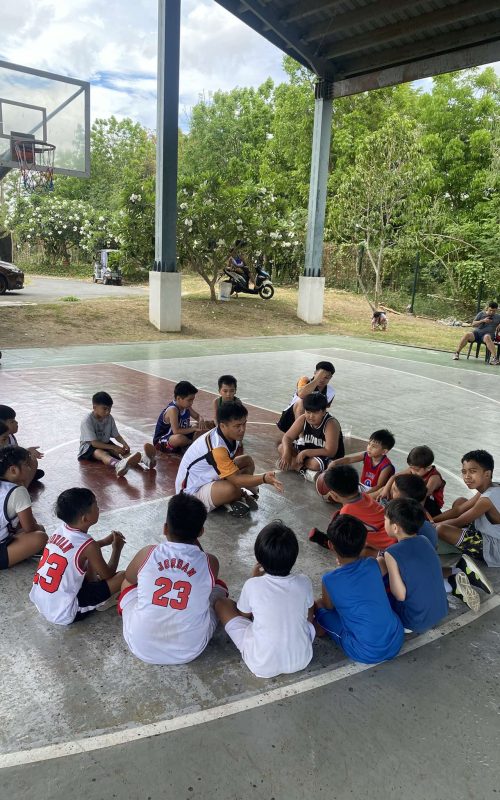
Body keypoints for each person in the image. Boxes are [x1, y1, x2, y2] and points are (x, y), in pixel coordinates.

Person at [119, 493, 227, 665]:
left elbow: (129, 578)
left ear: (165, 528)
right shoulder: (210, 561)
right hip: (190, 649)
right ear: (201, 532)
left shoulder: (148, 553)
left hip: (141, 646)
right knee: (219, 587)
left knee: (128, 584)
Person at [215, 521, 315, 678]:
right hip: (302, 659)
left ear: (259, 559)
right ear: (294, 557)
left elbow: (244, 615)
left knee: (222, 603)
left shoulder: (252, 585)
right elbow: (309, 616)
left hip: (262, 664)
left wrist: (255, 580)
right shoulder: (304, 581)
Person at [314, 515, 404, 663]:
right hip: (396, 638)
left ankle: (319, 629)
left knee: (318, 605)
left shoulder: (329, 579)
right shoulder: (372, 564)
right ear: (364, 543)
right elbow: (381, 562)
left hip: (364, 651)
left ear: (330, 545)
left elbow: (329, 607)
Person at [30, 488, 125, 625]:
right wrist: (117, 549)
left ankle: (94, 587)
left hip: (44, 602)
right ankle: (103, 601)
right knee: (123, 577)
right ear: (85, 518)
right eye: (96, 505)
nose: (98, 508)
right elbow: (108, 575)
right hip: (65, 612)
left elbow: (79, 552)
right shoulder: (89, 545)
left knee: (87, 563)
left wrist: (104, 542)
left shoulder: (60, 530)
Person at [175, 401, 283, 517]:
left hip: (208, 477)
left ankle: (230, 496)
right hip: (190, 495)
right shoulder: (217, 447)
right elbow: (236, 479)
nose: (242, 429)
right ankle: (232, 498)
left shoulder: (229, 435)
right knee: (233, 488)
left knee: (247, 461)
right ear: (222, 426)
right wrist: (264, 478)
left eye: (244, 424)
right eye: (237, 426)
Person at [378, 498, 448, 633]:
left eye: (385, 520)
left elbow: (399, 595)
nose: (384, 523)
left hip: (413, 622)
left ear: (395, 528)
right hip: (441, 611)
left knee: (380, 585)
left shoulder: (391, 553)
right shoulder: (425, 540)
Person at [435, 450, 499, 575]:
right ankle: (458, 539)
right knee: (460, 502)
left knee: (441, 529)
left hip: (493, 548)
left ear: (487, 474)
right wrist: (432, 519)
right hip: (484, 532)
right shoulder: (491, 487)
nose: (467, 476)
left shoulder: (487, 499)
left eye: (473, 471)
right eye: (464, 472)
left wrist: (429, 526)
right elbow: (459, 509)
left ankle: (459, 546)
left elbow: (459, 521)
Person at [309, 465, 395, 554]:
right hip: (393, 534)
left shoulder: (346, 513)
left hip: (386, 548)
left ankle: (329, 543)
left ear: (334, 495)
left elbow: (349, 538)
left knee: (342, 536)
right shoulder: (364, 496)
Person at [79, 391, 154, 477]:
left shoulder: (109, 418)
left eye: (109, 409)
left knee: (121, 452)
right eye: (104, 409)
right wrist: (113, 447)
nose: (108, 412)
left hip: (104, 442)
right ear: (94, 407)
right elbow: (94, 443)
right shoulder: (87, 421)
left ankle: (145, 459)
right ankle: (118, 465)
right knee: (102, 454)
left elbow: (116, 435)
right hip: (89, 447)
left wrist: (124, 443)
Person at [277, 392, 344, 481]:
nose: (311, 416)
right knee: (281, 447)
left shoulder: (330, 423)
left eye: (315, 413)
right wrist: (286, 453)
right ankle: (303, 470)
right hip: (307, 451)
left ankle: (294, 465)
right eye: (308, 412)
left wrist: (306, 453)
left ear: (323, 412)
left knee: (315, 464)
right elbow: (287, 437)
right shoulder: (303, 418)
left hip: (324, 455)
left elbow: (330, 451)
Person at [0, 446, 47, 570]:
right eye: (26, 465)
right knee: (40, 536)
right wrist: (39, 528)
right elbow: (29, 528)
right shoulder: (18, 491)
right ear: (13, 470)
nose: (29, 468)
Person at [319, 429, 395, 496]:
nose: (369, 448)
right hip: (362, 486)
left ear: (384, 451)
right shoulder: (366, 455)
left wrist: (363, 495)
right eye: (369, 444)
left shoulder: (386, 466)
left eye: (373, 446)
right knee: (339, 488)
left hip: (375, 492)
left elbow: (379, 486)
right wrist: (335, 462)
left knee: (349, 497)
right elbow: (349, 459)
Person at [377, 445, 445, 517]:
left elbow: (423, 496)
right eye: (411, 468)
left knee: (400, 493)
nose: (413, 471)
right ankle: (370, 499)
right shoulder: (414, 469)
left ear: (428, 468)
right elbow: (394, 476)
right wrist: (385, 490)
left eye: (416, 470)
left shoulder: (434, 478)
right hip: (415, 496)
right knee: (390, 487)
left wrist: (417, 513)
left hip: (430, 504)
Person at [154, 381, 213, 454]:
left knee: (203, 428)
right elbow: (176, 431)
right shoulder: (173, 410)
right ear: (179, 398)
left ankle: (187, 446)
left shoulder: (186, 406)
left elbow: (197, 416)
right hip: (163, 440)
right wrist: (193, 429)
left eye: (192, 400)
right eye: (189, 400)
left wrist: (201, 420)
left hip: (182, 435)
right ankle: (191, 445)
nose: (191, 403)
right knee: (179, 438)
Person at [276, 361, 335, 433]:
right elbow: (301, 394)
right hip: (289, 419)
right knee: (302, 402)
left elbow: (323, 410)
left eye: (326, 377)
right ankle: (301, 436)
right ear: (315, 373)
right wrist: (316, 379)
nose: (322, 379)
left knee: (325, 415)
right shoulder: (305, 380)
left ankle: (314, 434)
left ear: (330, 378)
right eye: (320, 376)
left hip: (309, 420)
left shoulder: (330, 392)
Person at [0, 404, 45, 481]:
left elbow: (15, 453)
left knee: (31, 460)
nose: (16, 422)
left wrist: (27, 451)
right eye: (12, 421)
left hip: (8, 468)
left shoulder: (11, 437)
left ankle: (24, 477)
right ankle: (23, 480)